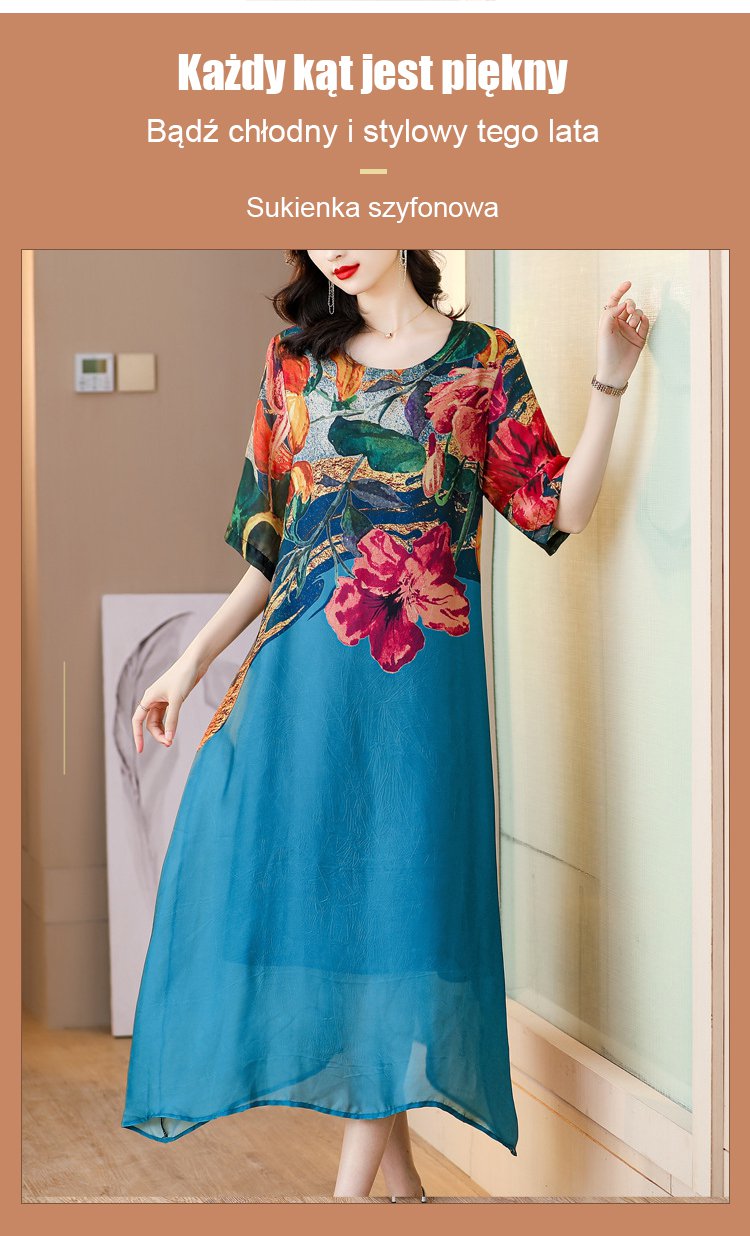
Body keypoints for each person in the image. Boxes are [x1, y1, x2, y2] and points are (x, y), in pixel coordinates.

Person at [121, 250, 649, 1200]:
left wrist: (611, 376)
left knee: (401, 917)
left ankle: (350, 1202)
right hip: (305, 691)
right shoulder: (294, 362)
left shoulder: (483, 359)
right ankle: (397, 1196)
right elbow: (269, 551)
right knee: (347, 928)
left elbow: (558, 507)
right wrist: (188, 662)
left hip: (419, 703)